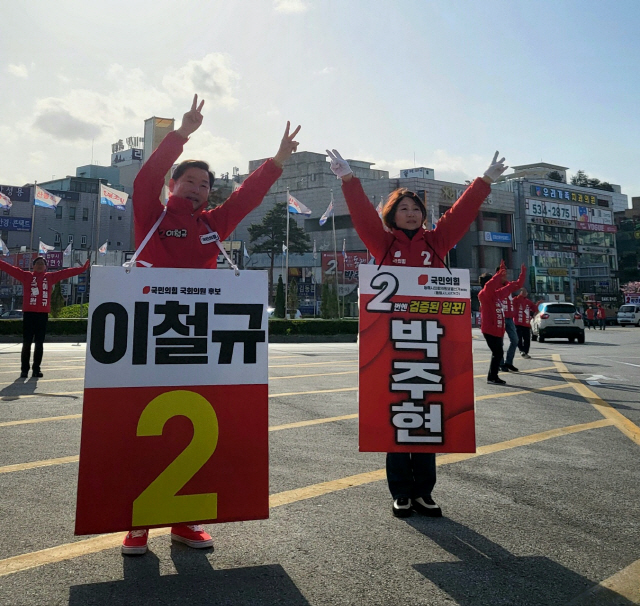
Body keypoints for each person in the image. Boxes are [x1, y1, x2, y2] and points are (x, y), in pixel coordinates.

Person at [121, 95, 301, 555]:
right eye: (190, 180)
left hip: (198, 339)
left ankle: (184, 521)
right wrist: (181, 134)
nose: (198, 188)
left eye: (205, 184)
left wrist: (277, 161)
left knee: (190, 425)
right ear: (173, 182)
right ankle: (137, 523)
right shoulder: (151, 214)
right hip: (148, 336)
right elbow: (145, 178)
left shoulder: (212, 226)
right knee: (143, 423)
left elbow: (249, 196)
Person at [327, 147, 508, 519]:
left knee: (426, 416)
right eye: (404, 209)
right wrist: (349, 179)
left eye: (416, 209)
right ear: (392, 214)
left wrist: (484, 181)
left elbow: (461, 214)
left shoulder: (437, 243)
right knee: (397, 416)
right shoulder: (383, 243)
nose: (411, 214)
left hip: (431, 343)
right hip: (389, 344)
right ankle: (401, 494)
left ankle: (424, 493)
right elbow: (362, 215)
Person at [0, 256, 90, 378]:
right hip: (29, 314)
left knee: (39, 343)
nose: (40, 265)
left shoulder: (50, 277)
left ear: (45, 267)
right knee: (26, 343)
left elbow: (66, 273)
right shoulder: (26, 276)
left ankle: (36, 369)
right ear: (33, 266)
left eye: (42, 263)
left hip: (42, 314)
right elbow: (10, 268)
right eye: (38, 263)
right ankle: (24, 370)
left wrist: (82, 269)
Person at [479, 261, 526, 386]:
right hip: (490, 330)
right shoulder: (484, 294)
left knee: (498, 353)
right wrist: (499, 274)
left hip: (497, 330)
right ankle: (492, 377)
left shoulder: (496, 295)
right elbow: (490, 285)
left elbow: (512, 287)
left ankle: (493, 377)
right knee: (498, 353)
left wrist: (522, 275)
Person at [497, 274, 519, 373]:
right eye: (503, 275)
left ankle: (508, 362)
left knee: (515, 340)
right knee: (499, 342)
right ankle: (500, 363)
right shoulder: (495, 287)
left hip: (510, 318)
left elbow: (518, 284)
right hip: (500, 317)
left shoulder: (509, 286)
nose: (506, 277)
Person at [512, 288, 541, 359]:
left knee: (527, 339)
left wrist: (538, 304)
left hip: (526, 324)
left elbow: (534, 308)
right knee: (518, 338)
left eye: (526, 292)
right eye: (523, 292)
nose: (525, 293)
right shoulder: (515, 299)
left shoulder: (528, 301)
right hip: (517, 323)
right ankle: (522, 350)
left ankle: (525, 352)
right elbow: (513, 303)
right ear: (520, 293)